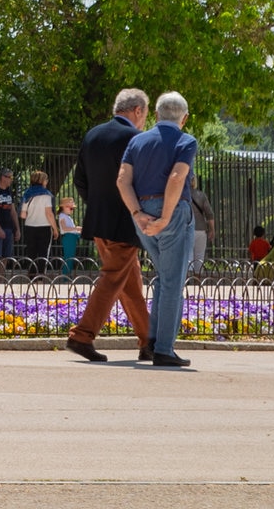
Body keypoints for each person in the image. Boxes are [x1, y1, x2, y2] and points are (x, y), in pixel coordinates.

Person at [66, 89, 153, 363]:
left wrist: (98, 205)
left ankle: (149, 340)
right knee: (114, 278)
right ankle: (82, 335)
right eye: (145, 115)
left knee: (129, 283)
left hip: (99, 221)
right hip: (125, 221)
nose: (145, 121)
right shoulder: (137, 139)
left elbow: (79, 180)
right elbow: (143, 184)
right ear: (137, 110)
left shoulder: (93, 135)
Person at [121, 90, 199, 368]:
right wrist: (165, 217)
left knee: (164, 278)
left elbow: (122, 181)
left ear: (155, 114)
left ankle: (153, 342)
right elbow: (177, 178)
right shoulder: (186, 141)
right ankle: (163, 348)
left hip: (141, 214)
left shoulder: (137, 141)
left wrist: (137, 213)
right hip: (173, 214)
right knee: (172, 281)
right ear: (185, 118)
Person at [17, 170, 56, 263]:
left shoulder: (27, 194)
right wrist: (55, 229)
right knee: (43, 255)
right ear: (42, 181)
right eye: (46, 179)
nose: (47, 181)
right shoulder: (46, 195)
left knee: (31, 254)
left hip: (29, 227)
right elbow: (49, 214)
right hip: (44, 227)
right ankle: (41, 277)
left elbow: (22, 215)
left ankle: (31, 276)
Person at [56, 198, 82, 271]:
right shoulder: (62, 216)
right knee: (68, 258)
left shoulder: (67, 217)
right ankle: (65, 277)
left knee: (71, 258)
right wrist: (76, 229)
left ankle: (67, 276)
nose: (71, 210)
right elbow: (64, 228)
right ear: (64, 207)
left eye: (72, 208)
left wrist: (77, 229)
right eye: (70, 208)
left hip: (72, 237)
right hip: (68, 238)